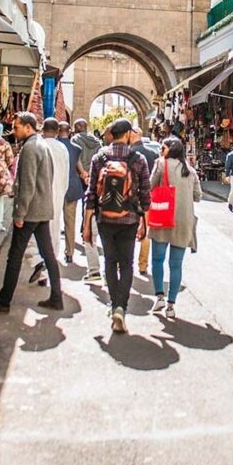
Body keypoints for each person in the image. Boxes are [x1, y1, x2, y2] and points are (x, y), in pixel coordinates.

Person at [0, 112, 63, 314]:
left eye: (16, 127)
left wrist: (19, 214)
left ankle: (3, 302)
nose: (14, 131)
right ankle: (56, 297)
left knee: (14, 256)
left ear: (28, 127)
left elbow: (28, 185)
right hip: (42, 209)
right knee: (48, 254)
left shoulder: (31, 148)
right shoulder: (41, 145)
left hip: (31, 212)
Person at [83, 118, 151, 334]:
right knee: (127, 263)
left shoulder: (99, 158)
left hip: (105, 219)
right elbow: (145, 195)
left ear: (112, 134)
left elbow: (91, 194)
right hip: (129, 219)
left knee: (110, 262)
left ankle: (114, 306)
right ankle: (121, 307)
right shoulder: (138, 159)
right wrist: (145, 224)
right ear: (129, 134)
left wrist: (86, 225)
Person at [149, 136, 201, 319]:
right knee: (176, 265)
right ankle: (171, 304)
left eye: (162, 147)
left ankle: (159, 296)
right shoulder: (191, 170)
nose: (160, 150)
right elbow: (198, 196)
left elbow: (150, 185)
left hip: (163, 216)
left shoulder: (161, 164)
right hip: (183, 221)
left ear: (169, 149)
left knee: (157, 259)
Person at [29, 118, 70, 284]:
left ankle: (39, 263)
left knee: (33, 233)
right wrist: (61, 192)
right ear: (58, 131)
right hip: (58, 195)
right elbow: (66, 175)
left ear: (42, 129)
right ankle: (46, 268)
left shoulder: (37, 146)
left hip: (39, 195)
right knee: (52, 234)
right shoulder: (63, 149)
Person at [72, 120, 103, 281]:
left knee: (80, 205)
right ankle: (88, 225)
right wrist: (91, 173)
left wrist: (83, 173)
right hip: (94, 175)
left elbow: (76, 157)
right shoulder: (96, 141)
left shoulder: (75, 140)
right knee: (90, 203)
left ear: (77, 128)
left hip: (80, 175)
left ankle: (84, 229)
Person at [130, 127, 160, 277]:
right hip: (148, 197)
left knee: (128, 230)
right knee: (146, 232)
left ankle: (124, 262)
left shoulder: (129, 153)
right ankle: (143, 265)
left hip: (131, 197)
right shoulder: (153, 153)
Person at [59, 121, 87, 265]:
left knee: (52, 221)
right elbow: (78, 165)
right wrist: (83, 174)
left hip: (56, 187)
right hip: (72, 186)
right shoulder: (76, 148)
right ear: (69, 131)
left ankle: (50, 252)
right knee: (70, 222)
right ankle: (69, 253)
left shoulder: (52, 145)